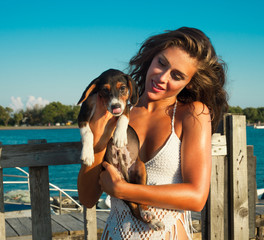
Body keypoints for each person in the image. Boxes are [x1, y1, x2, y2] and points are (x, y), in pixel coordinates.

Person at [77, 27, 228, 240]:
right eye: (162, 63)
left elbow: (196, 197)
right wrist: (99, 134)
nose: (162, 77)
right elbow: (87, 198)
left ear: (190, 82)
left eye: (177, 75)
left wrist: (122, 190)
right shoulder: (115, 113)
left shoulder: (192, 114)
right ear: (152, 57)